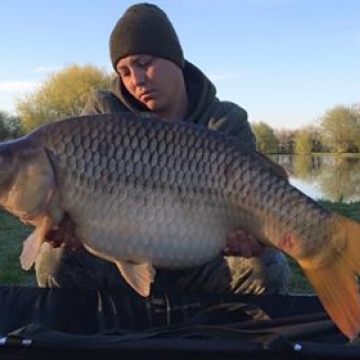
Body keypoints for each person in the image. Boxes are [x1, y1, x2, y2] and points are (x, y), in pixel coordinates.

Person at [35, 3, 290, 295]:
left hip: (204, 259)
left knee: (267, 265)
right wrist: (65, 225)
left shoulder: (225, 121)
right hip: (117, 254)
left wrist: (250, 236)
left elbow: (258, 206)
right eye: (124, 71)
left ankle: (228, 335)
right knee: (53, 259)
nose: (136, 80)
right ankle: (102, 338)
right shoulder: (102, 115)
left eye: (144, 64)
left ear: (175, 59)